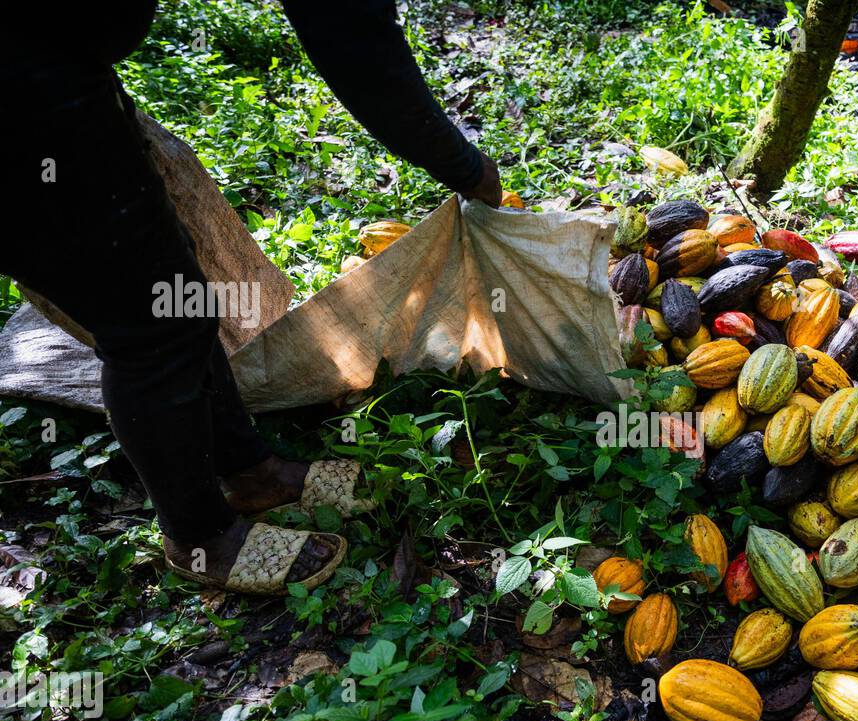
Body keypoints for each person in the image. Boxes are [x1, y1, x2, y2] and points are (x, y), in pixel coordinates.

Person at [1, 2, 501, 595]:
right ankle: (198, 537)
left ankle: (250, 471)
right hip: (16, 94)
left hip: (50, 61)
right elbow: (353, 38)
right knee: (146, 322)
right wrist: (466, 167)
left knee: (176, 293)